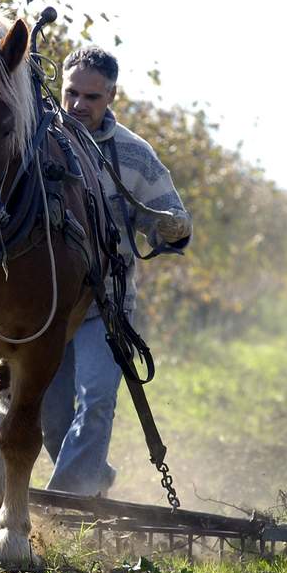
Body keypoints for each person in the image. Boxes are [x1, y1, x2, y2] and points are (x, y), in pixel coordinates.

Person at [41, 46, 193, 497]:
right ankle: (91, 476)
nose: (78, 105)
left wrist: (172, 226)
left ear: (111, 96)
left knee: (98, 399)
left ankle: (62, 504)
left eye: (91, 97)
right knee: (49, 415)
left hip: (104, 304)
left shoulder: (134, 154)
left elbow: (169, 215)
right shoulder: (35, 142)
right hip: (46, 305)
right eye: (71, 93)